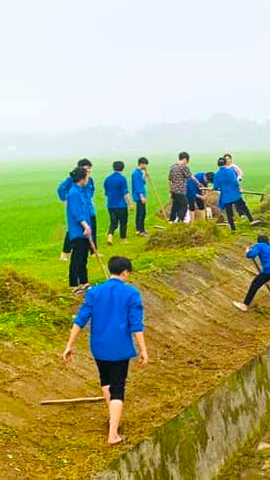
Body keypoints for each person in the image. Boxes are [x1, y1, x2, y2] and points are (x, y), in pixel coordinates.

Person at [63, 256, 148, 445]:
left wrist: (70, 344)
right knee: (118, 388)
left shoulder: (94, 292)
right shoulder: (131, 293)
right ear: (126, 272)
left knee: (106, 381)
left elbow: (80, 319)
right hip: (119, 348)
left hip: (99, 347)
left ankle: (113, 420)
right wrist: (143, 349)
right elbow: (136, 325)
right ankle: (113, 434)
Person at [234, 235, 270, 321]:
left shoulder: (259, 245)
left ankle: (245, 305)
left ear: (259, 241)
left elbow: (251, 255)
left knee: (255, 285)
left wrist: (248, 251)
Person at [58, 158, 98, 260]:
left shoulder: (90, 180)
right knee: (72, 231)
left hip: (89, 209)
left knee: (92, 228)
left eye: (90, 168)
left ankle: (93, 251)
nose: (89, 170)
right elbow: (60, 189)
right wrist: (66, 202)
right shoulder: (72, 180)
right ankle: (64, 253)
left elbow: (90, 193)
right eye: (87, 168)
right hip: (77, 210)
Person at [213, 157, 260, 232]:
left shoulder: (216, 175)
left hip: (225, 196)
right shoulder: (231, 171)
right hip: (235, 194)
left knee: (229, 213)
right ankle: (251, 220)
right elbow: (235, 182)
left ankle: (233, 229)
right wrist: (239, 188)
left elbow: (215, 187)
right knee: (243, 207)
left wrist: (219, 188)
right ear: (225, 163)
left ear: (218, 165)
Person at [66, 167, 93, 293]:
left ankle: (84, 281)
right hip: (78, 231)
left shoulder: (82, 191)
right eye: (87, 177)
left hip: (85, 231)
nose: (88, 179)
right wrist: (85, 226)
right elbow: (76, 213)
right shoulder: (73, 193)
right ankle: (74, 284)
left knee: (84, 257)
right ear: (82, 179)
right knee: (76, 258)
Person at [103, 161, 133, 245]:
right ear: (122, 168)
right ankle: (123, 239)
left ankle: (110, 237)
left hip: (110, 205)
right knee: (123, 222)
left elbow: (106, 192)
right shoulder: (122, 179)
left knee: (113, 222)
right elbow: (125, 193)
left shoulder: (107, 179)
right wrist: (130, 203)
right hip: (121, 205)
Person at [168, 152, 201, 223]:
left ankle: (171, 220)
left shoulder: (172, 167)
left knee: (175, 206)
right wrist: (198, 183)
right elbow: (191, 176)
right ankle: (180, 220)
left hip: (173, 190)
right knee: (184, 206)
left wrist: (170, 190)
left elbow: (169, 180)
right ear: (185, 159)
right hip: (180, 190)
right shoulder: (183, 167)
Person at [131, 158, 149, 237]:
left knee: (140, 213)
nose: (146, 166)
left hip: (140, 195)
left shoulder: (139, 173)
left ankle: (139, 229)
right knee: (142, 213)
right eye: (145, 164)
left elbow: (142, 183)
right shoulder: (136, 173)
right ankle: (141, 230)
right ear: (141, 164)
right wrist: (142, 196)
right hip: (139, 196)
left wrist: (145, 175)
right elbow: (138, 186)